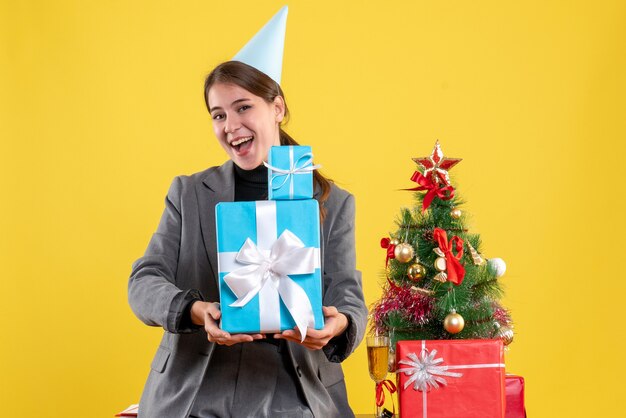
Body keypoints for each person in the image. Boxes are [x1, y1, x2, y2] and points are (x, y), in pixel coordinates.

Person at [127, 7, 367, 417]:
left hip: (294, 390)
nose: (230, 125)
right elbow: (144, 281)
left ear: (277, 107)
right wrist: (196, 311)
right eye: (218, 115)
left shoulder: (332, 201)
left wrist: (338, 323)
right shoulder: (188, 193)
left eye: (243, 108)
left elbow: (347, 292)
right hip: (197, 389)